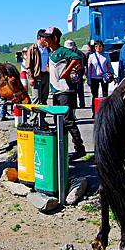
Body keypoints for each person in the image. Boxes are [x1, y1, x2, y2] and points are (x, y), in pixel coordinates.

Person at [44, 27, 87, 160]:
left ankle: (80, 148)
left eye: (47, 37)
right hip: (56, 92)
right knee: (58, 122)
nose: (45, 40)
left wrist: (67, 71)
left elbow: (76, 58)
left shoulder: (63, 51)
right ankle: (61, 149)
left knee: (68, 121)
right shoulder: (51, 53)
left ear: (55, 38)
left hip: (65, 91)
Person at [87, 40, 113, 116]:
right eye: (96, 46)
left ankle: (105, 112)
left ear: (102, 47)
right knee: (95, 95)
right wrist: (88, 79)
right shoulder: (91, 56)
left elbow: (109, 66)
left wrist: (112, 74)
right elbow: (89, 69)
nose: (98, 48)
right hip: (94, 78)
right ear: (94, 47)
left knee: (105, 95)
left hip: (104, 77)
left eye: (100, 46)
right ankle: (95, 112)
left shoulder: (106, 55)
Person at [25, 29, 50, 108]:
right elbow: (28, 65)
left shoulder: (48, 49)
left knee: (44, 98)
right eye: (45, 37)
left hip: (46, 75)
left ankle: (42, 118)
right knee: (36, 99)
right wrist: (31, 77)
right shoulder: (32, 48)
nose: (46, 39)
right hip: (36, 76)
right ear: (40, 38)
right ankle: (34, 119)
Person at [63, 39, 86, 108]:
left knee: (79, 89)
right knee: (73, 90)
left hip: (78, 74)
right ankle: (74, 105)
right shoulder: (66, 54)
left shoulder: (80, 54)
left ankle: (81, 104)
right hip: (70, 74)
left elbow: (83, 64)